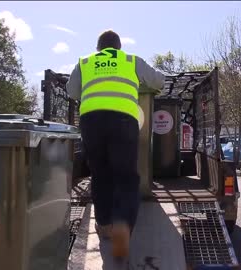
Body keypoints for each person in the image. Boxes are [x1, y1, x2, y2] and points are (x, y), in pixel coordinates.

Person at [66, 30, 165, 259]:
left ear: (99, 48)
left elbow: (72, 91)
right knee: (126, 176)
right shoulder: (130, 61)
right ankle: (123, 224)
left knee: (100, 174)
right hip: (123, 120)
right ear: (118, 47)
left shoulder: (85, 62)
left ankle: (104, 224)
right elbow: (159, 81)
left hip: (91, 121)